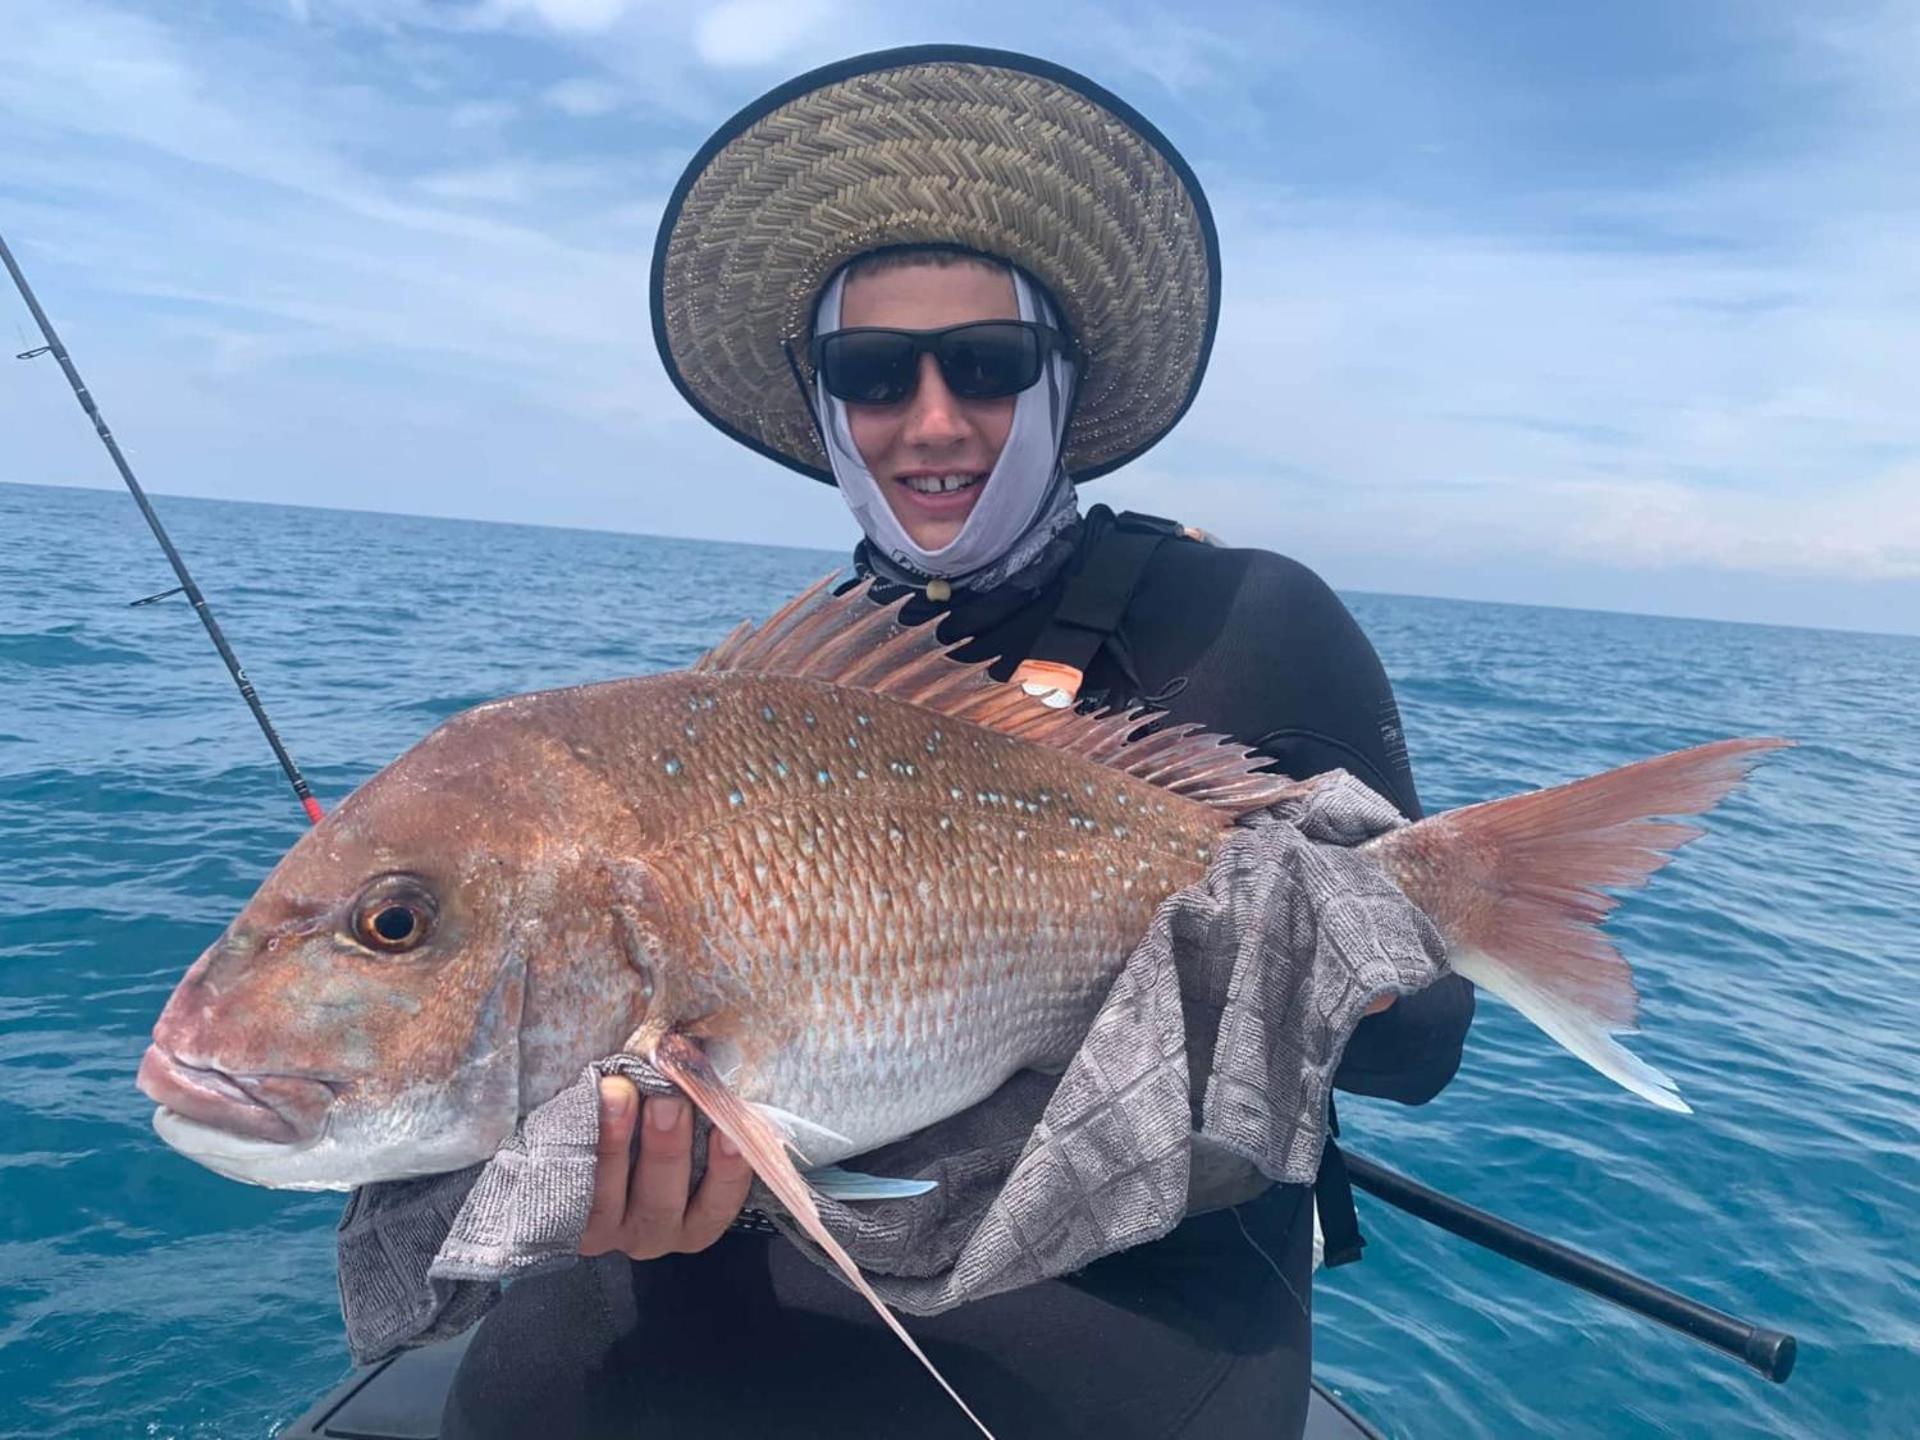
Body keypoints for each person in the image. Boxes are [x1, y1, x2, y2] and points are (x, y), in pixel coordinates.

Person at [443, 44, 1472, 1440]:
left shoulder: (1250, 616)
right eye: (874, 373)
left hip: (1153, 1259)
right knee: (515, 1390)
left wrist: (1277, 953)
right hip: (803, 1219)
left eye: (987, 365)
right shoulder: (773, 688)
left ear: (1065, 380)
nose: (934, 420)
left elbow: (1422, 1054)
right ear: (823, 402)